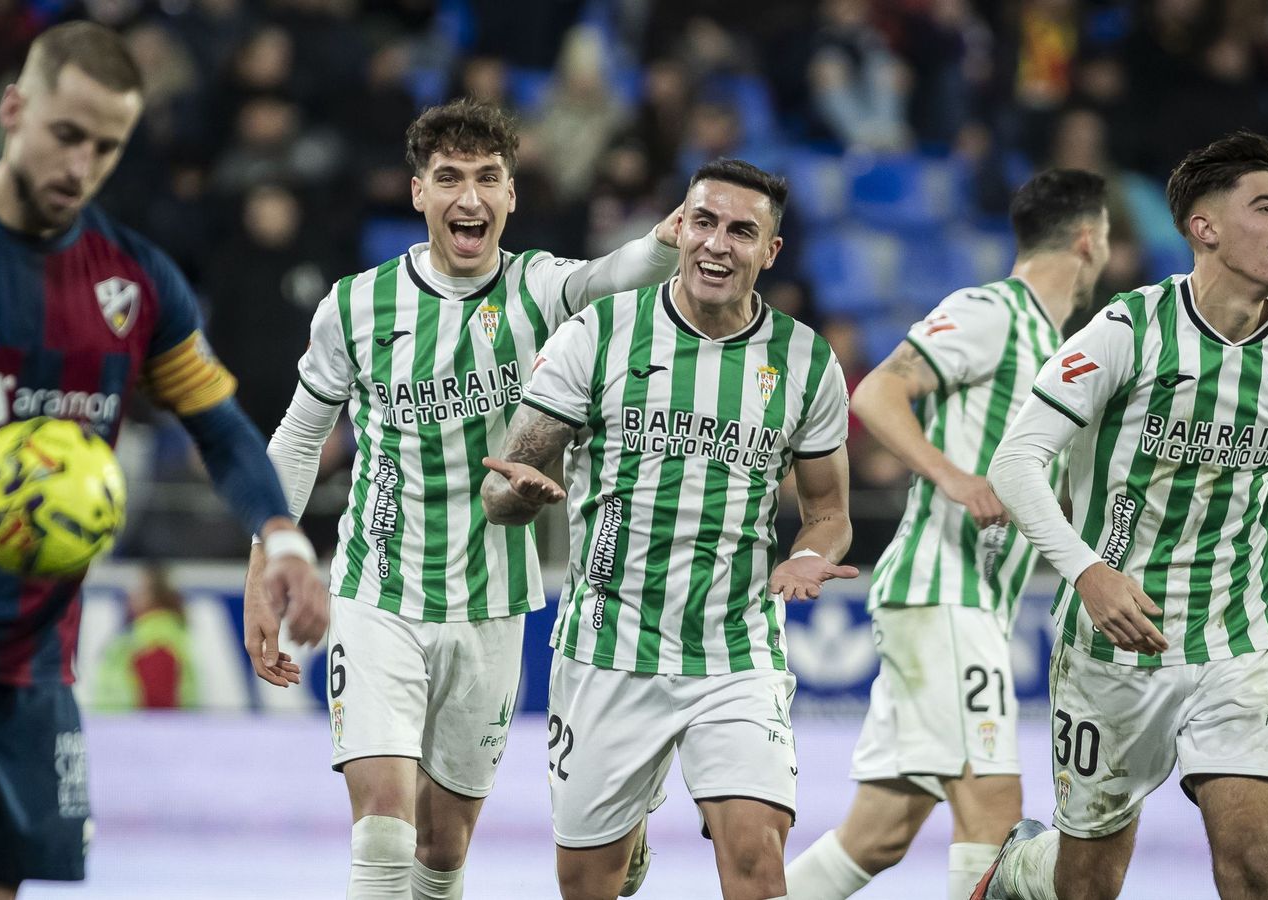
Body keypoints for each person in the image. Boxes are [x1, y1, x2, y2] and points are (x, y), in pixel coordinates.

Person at [0, 22, 324, 900]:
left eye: (106, 146)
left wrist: (283, 538)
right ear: (15, 110)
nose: (80, 165)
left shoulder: (136, 281)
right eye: (66, 134)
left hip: (30, 638)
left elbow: (221, 427)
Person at [243, 98, 680, 899]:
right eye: (449, 178)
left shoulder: (541, 290)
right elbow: (298, 439)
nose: (469, 197)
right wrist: (264, 563)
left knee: (442, 855)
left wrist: (665, 240)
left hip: (494, 606)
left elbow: (609, 277)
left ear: (512, 195)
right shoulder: (355, 304)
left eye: (488, 179)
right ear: (419, 193)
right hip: (378, 592)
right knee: (382, 822)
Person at [975, 130, 1268, 900]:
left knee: (1251, 866)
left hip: (1240, 640)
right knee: (1086, 886)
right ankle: (1020, 868)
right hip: (1114, 645)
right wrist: (1089, 575)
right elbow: (1013, 463)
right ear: (1203, 228)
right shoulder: (1127, 329)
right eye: (1266, 206)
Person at [482, 158, 858, 900]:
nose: (717, 244)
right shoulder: (601, 331)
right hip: (608, 647)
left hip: (734, 648)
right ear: (679, 227)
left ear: (769, 252)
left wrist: (810, 555)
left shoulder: (807, 362)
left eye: (742, 231)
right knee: (591, 884)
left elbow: (829, 512)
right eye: (704, 222)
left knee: (757, 862)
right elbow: (502, 492)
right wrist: (519, 495)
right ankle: (631, 833)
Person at [787, 169, 1112, 900]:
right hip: (945, 596)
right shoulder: (994, 311)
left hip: (968, 605)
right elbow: (876, 389)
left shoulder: (1054, 345)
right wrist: (953, 478)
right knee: (995, 822)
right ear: (1089, 240)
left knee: (877, 837)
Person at [92, 563, 198, 710]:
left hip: (136, 729)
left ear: (154, 597)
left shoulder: (155, 637)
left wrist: (149, 732)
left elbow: (159, 702)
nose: (130, 595)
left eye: (139, 590)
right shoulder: (148, 633)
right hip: (128, 727)